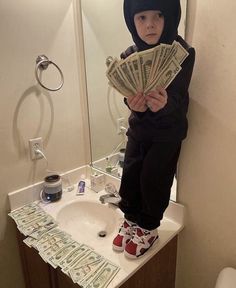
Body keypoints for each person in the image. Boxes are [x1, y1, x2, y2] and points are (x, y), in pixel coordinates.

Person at [112, 0, 195, 259]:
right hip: (139, 129)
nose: (150, 24)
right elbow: (128, 93)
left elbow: (182, 97)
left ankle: (148, 227)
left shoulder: (183, 52)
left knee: (154, 179)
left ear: (169, 16)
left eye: (158, 15)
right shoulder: (129, 55)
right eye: (142, 17)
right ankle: (131, 219)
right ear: (131, 21)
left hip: (167, 134)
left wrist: (167, 103)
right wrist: (133, 104)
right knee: (131, 173)